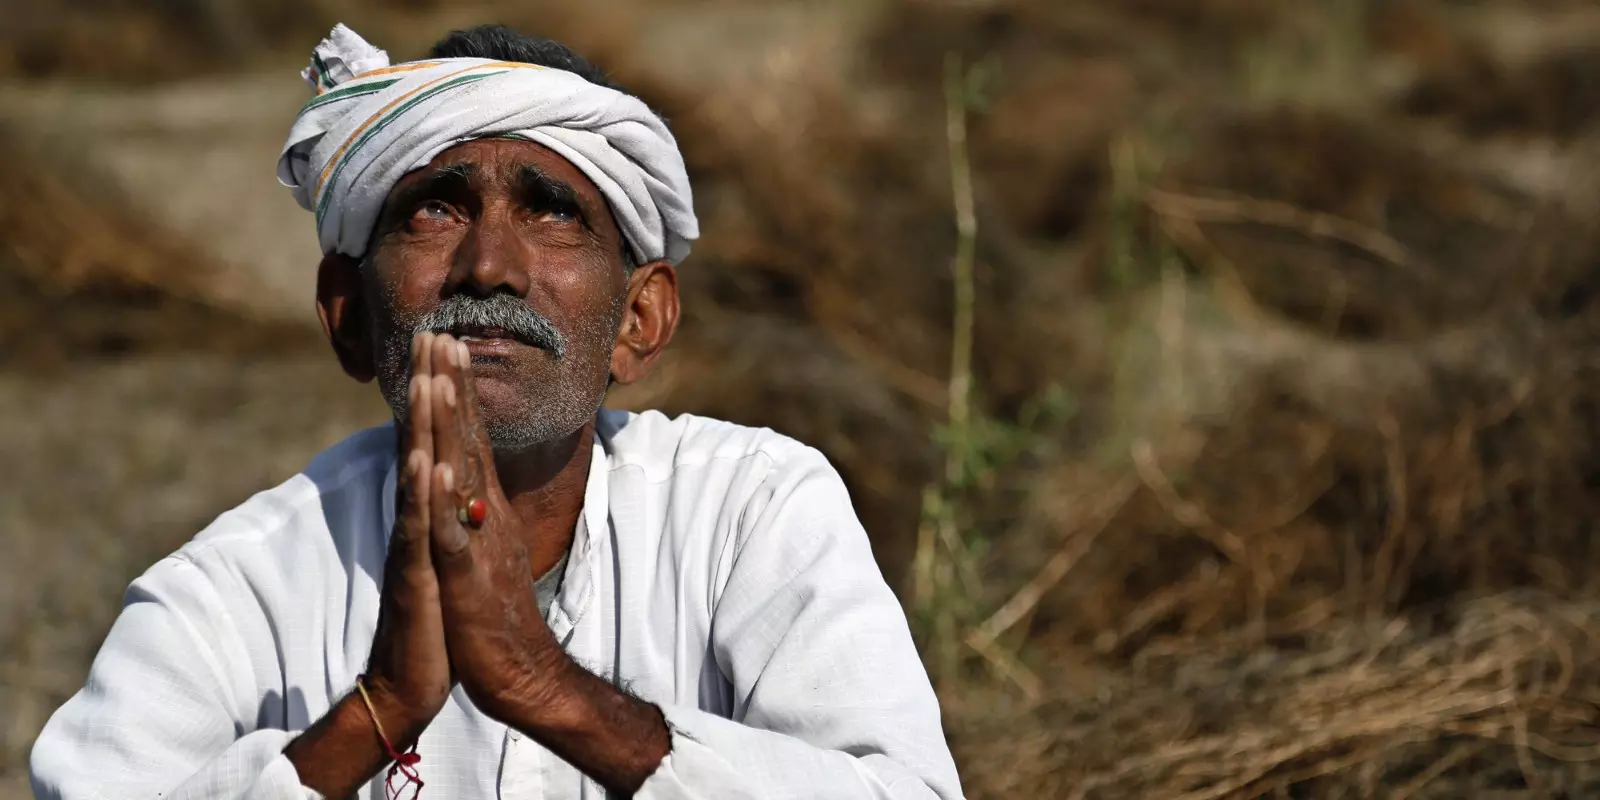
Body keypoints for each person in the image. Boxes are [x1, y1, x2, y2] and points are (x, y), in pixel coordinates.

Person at [27, 21, 963, 800]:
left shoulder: (752, 515)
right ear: (348, 317)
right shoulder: (230, 595)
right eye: (436, 210)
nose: (489, 267)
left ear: (639, 322)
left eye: (553, 212)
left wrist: (547, 688)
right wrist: (377, 711)